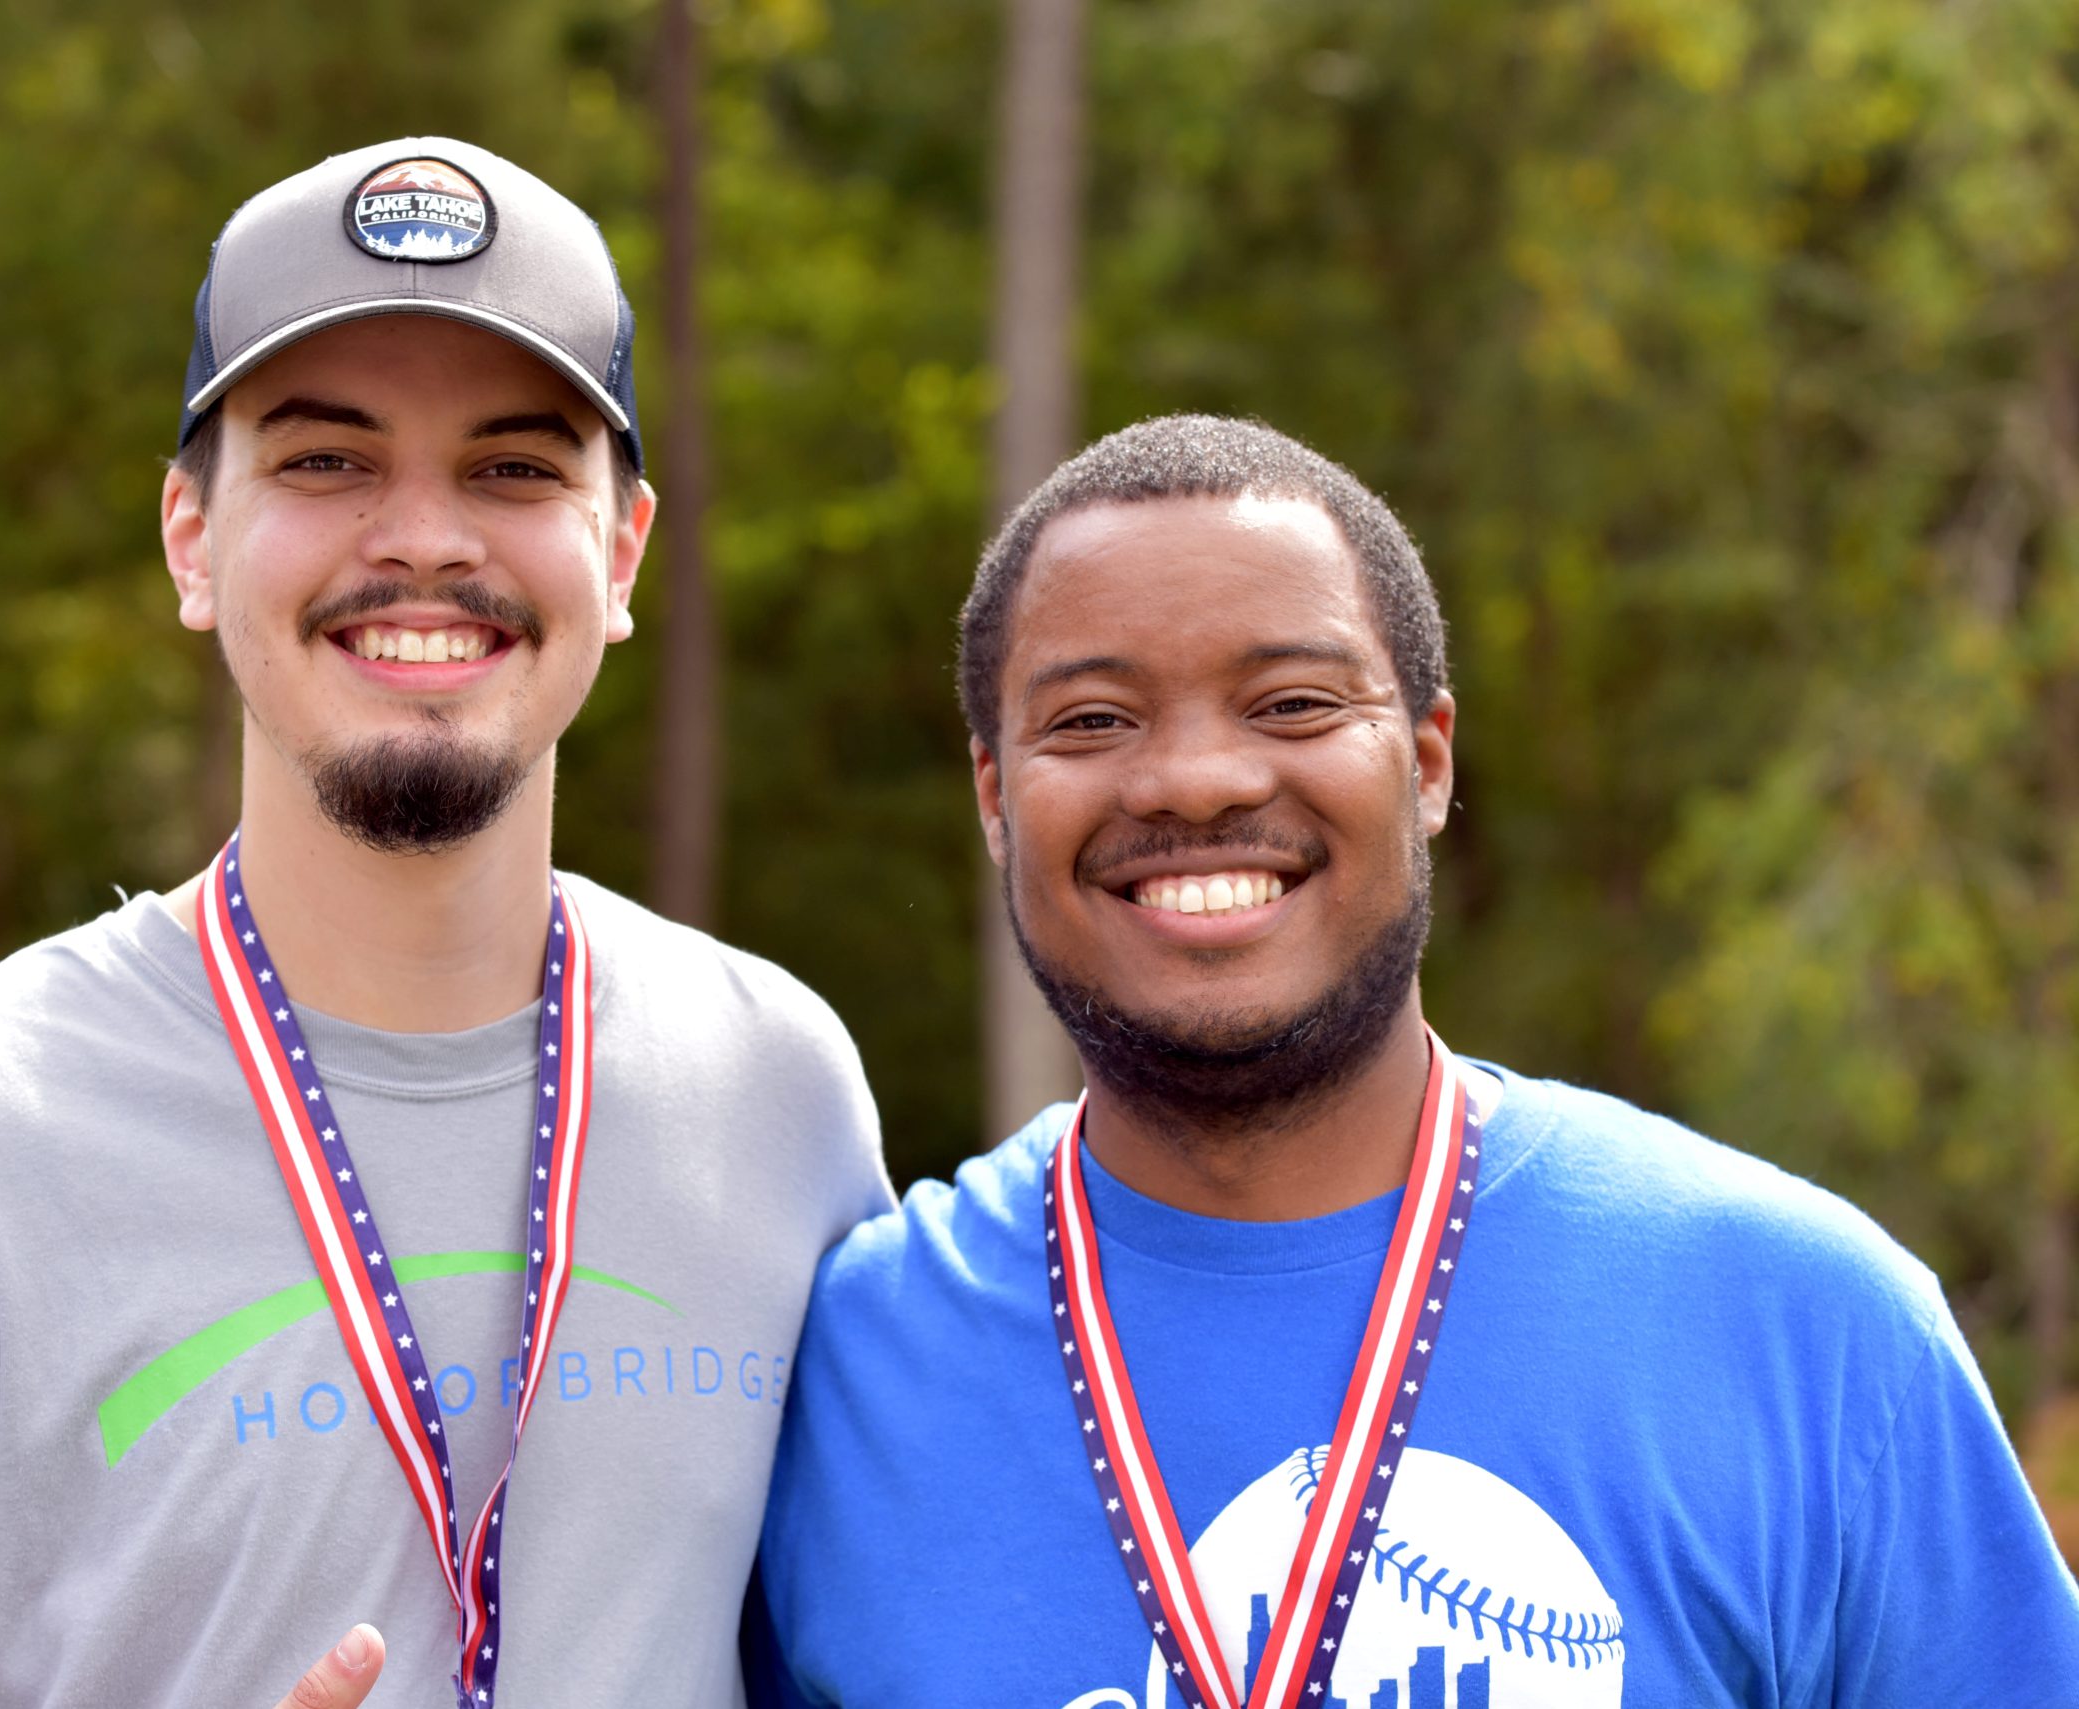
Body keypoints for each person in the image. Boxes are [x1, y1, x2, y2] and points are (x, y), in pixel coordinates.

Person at [0, 137, 889, 1709]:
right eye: (326, 462)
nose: (427, 538)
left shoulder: (778, 1091)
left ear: (623, 549)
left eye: (514, 466)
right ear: (191, 535)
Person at [752, 414, 2079, 1708]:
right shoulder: (850, 1369)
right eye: (1095, 721)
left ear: (1429, 762)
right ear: (995, 795)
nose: (1198, 780)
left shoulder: (1807, 1327)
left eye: (1292, 702)